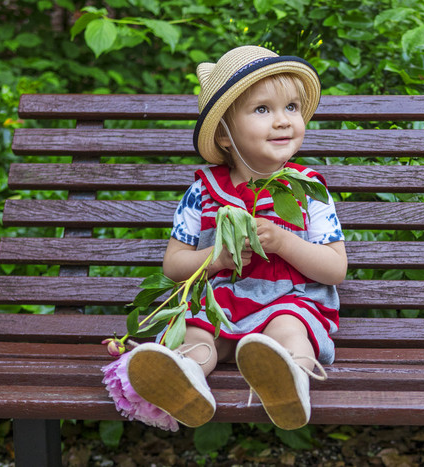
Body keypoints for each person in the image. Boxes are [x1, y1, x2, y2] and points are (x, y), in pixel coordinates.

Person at [126, 46, 347, 431]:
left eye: (292, 108)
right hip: (220, 306)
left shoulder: (307, 190)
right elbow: (174, 266)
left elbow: (334, 269)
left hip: (287, 301)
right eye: (263, 110)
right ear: (225, 135)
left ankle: (290, 383)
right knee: (196, 334)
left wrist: (282, 242)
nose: (282, 121)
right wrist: (218, 258)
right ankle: (187, 381)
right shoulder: (204, 192)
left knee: (287, 329)